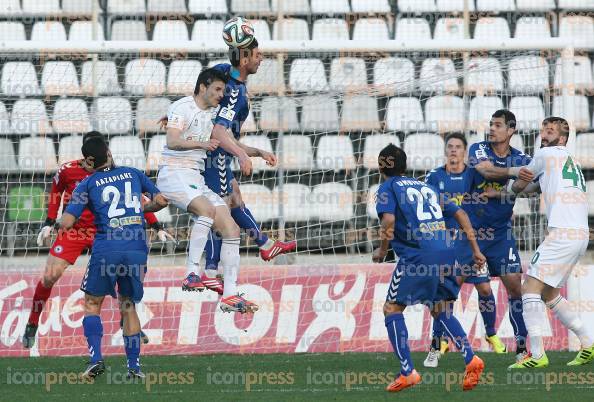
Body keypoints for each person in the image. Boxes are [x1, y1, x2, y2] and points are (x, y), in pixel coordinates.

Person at [22, 132, 169, 348]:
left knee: (123, 273)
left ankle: (126, 320)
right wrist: (49, 221)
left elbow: (134, 200)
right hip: (74, 230)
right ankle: (32, 323)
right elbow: (55, 193)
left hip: (106, 231)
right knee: (50, 276)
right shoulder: (67, 170)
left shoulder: (112, 171)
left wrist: (155, 224)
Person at [373, 143, 486, 392]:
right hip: (446, 253)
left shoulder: (386, 187)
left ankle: (408, 372)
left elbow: (389, 220)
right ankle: (471, 358)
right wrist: (476, 251)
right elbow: (461, 215)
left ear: (382, 166)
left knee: (392, 309)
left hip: (418, 255)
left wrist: (382, 250)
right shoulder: (428, 186)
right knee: (439, 308)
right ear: (405, 165)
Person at [482, 117, 594, 368]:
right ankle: (588, 343)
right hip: (579, 233)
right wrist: (504, 192)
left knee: (528, 289)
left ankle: (537, 354)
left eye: (550, 131)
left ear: (562, 138)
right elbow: (535, 187)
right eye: (543, 129)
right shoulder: (569, 159)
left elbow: (522, 184)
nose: (544, 134)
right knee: (549, 293)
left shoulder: (545, 154)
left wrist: (499, 186)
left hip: (563, 233)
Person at [61, 137, 168, 378]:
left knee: (91, 303)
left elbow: (67, 222)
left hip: (108, 247)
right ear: (109, 153)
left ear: (89, 162)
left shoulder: (86, 184)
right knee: (128, 304)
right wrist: (141, 210)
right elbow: (162, 201)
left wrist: (56, 224)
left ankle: (96, 360)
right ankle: (134, 368)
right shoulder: (134, 173)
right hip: (137, 247)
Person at [157, 68, 257, 312]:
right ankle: (192, 272)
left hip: (194, 177)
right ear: (203, 87)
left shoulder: (212, 114)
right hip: (174, 173)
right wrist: (202, 143)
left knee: (231, 228)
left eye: (223, 90)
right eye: (217, 89)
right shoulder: (182, 107)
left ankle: (230, 295)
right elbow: (172, 141)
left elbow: (227, 141)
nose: (222, 95)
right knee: (207, 210)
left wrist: (255, 152)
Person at [423, 133, 505, 368]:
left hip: (471, 242)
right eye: (450, 147)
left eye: (458, 147)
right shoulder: (434, 177)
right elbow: (428, 208)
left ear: (465, 151)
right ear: (445, 150)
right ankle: (439, 343)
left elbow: (492, 194)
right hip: (446, 245)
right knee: (446, 297)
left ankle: (491, 334)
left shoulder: (474, 175)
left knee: (485, 288)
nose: (453, 151)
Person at [467, 109, 535, 362]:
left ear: (511, 129)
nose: (491, 128)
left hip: (501, 234)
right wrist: (516, 173)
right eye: (490, 124)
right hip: (472, 233)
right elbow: (485, 171)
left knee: (516, 287)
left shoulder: (521, 157)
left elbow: (533, 186)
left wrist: (511, 189)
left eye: (497, 125)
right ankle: (437, 343)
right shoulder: (479, 148)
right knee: (450, 286)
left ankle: (520, 347)